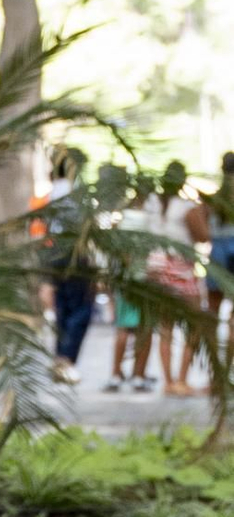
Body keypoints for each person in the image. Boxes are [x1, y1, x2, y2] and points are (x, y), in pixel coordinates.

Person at [144, 162, 209, 397]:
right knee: (194, 325)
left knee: (165, 328)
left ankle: (169, 381)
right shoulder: (186, 207)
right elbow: (203, 236)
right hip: (180, 267)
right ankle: (181, 379)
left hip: (156, 266)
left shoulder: (152, 203)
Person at [100, 169, 155, 395]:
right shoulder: (148, 218)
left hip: (125, 279)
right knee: (144, 329)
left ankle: (116, 374)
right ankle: (138, 376)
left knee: (123, 328)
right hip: (142, 279)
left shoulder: (122, 216)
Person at [44, 148, 93, 386]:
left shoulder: (51, 192)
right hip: (73, 255)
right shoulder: (76, 192)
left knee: (63, 308)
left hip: (55, 254)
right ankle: (66, 359)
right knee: (80, 309)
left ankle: (60, 359)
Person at [201, 151, 234, 358]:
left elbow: (204, 232)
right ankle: (228, 365)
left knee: (212, 313)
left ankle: (215, 367)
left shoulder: (212, 199)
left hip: (217, 253)